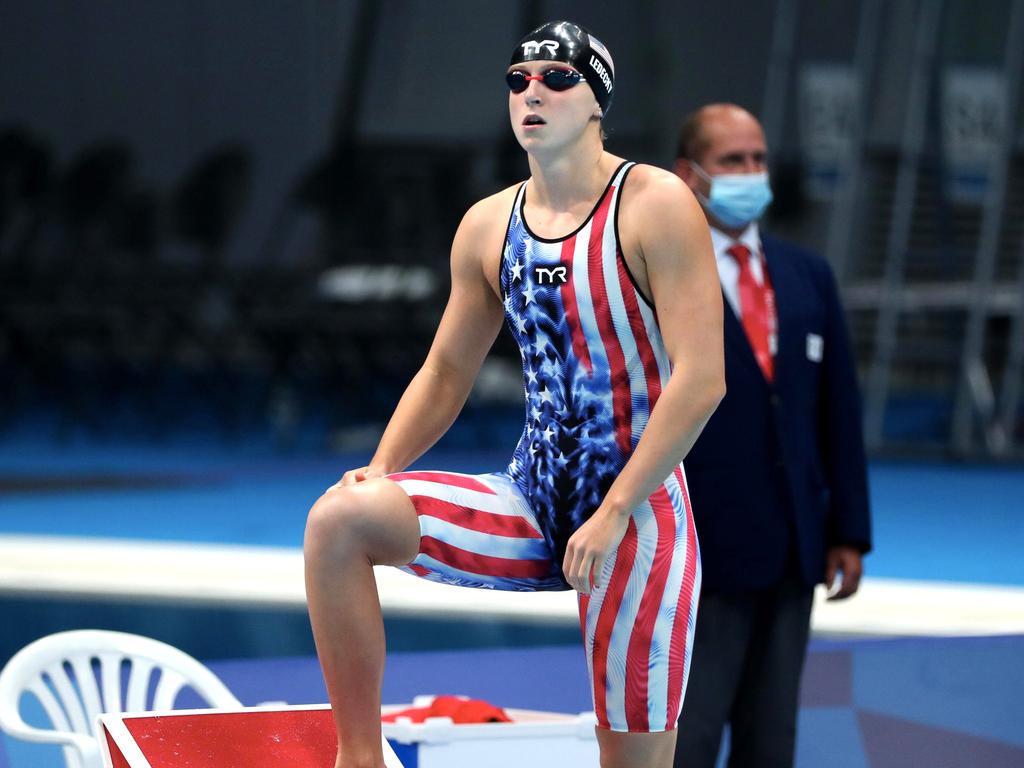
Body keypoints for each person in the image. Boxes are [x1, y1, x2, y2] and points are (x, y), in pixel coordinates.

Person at [303, 20, 725, 768]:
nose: (532, 92)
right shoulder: (487, 225)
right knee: (340, 520)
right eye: (518, 80)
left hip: (636, 526)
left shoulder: (655, 204)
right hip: (530, 505)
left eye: (557, 80)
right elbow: (445, 371)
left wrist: (617, 508)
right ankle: (360, 759)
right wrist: (382, 465)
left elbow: (701, 380)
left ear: (597, 101)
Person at [671, 104, 872, 768]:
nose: (750, 173)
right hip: (697, 549)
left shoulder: (805, 274)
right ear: (689, 175)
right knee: (689, 738)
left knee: (770, 740)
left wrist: (847, 529)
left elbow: (837, 410)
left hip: (793, 549)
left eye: (757, 159)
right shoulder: (657, 275)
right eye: (732, 161)